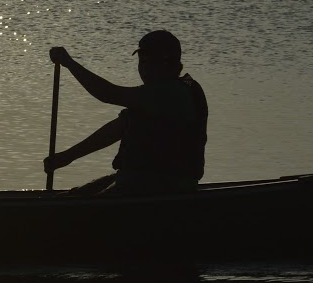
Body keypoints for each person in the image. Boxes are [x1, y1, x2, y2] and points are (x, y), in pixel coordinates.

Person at [43, 29, 208, 195]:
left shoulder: (173, 93)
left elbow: (108, 94)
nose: (143, 69)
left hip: (166, 185)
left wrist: (69, 63)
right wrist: (66, 157)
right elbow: (115, 130)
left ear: (166, 64)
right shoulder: (151, 96)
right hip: (138, 180)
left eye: (148, 63)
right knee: (74, 196)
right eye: (141, 62)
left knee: (84, 207)